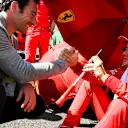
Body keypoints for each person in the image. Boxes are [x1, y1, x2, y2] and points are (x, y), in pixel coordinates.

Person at [0, 0, 78, 123]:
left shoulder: (13, 40)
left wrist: (27, 83)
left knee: (37, 104)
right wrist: (65, 63)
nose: (35, 21)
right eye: (32, 14)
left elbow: (14, 68)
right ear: (14, 6)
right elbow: (22, 71)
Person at [82, 36, 128, 128]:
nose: (125, 53)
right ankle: (67, 124)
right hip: (118, 117)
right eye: (125, 48)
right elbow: (95, 78)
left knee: (120, 104)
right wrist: (76, 64)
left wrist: (105, 77)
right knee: (88, 84)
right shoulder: (122, 69)